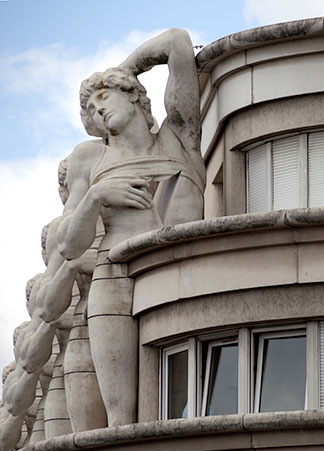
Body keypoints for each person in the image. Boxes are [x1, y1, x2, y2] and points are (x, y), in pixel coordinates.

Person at [57, 29, 205, 425]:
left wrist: (119, 72)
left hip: (179, 267)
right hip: (115, 276)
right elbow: (69, 247)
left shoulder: (180, 138)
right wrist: (95, 197)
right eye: (90, 108)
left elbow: (176, 42)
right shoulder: (92, 159)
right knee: (122, 415)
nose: (97, 110)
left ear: (134, 94)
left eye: (102, 98)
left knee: (170, 409)